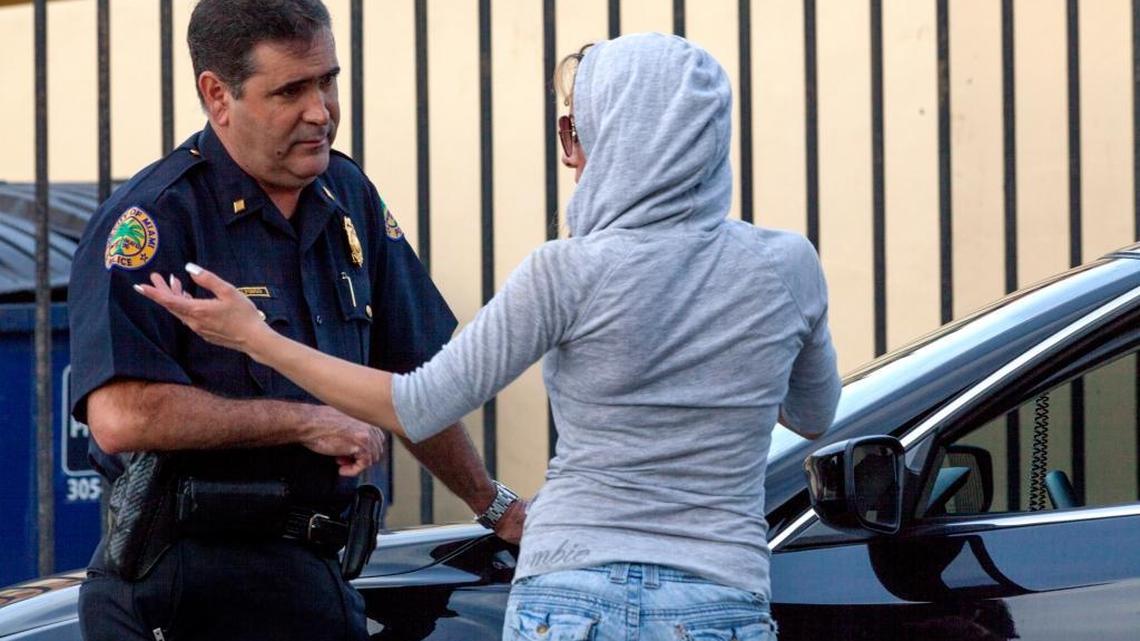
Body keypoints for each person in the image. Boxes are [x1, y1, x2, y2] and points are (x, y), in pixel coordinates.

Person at [139, 33, 841, 641]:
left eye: (576, 133)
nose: (573, 156)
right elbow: (812, 415)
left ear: (615, 142)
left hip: (570, 589)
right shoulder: (787, 267)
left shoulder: (565, 273)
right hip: (720, 594)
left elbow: (419, 402)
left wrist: (257, 338)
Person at [69, 2, 521, 640]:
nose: (321, 111)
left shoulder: (348, 196)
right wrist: (306, 421)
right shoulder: (156, 220)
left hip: (315, 575)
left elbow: (415, 383)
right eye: (290, 90)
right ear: (217, 95)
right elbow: (121, 416)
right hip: (184, 583)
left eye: (328, 81)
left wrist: (493, 505)